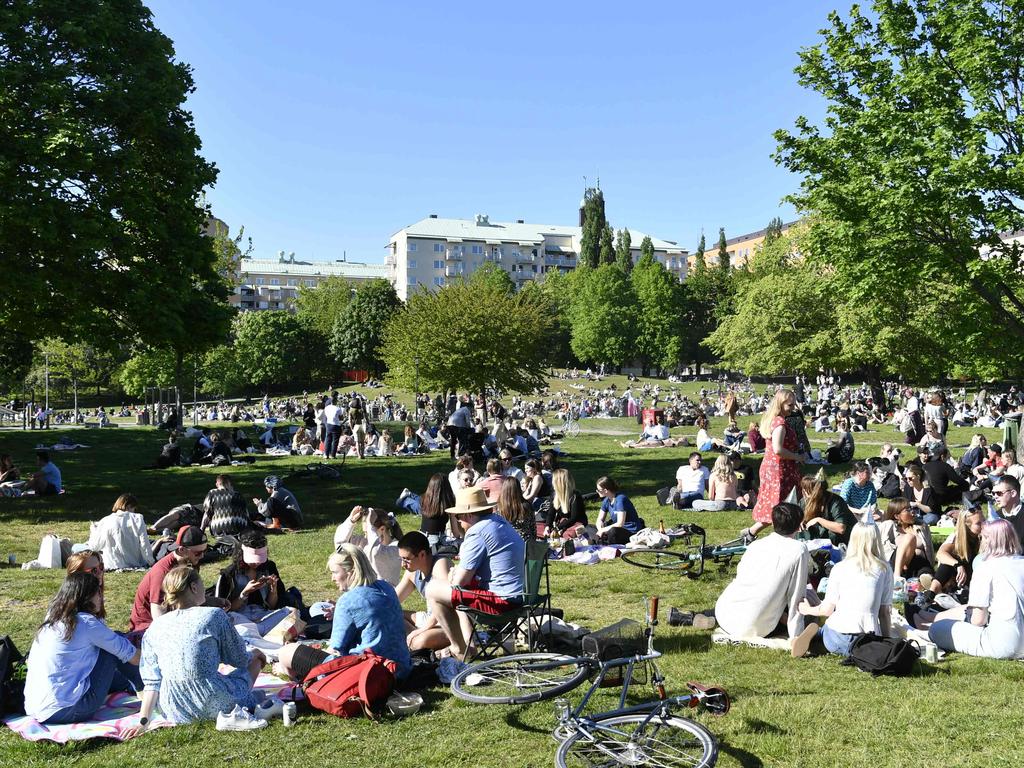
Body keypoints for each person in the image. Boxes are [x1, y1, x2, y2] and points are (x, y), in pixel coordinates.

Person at [133, 566, 267, 728]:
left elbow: (152, 682)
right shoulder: (214, 615)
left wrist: (143, 721)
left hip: (174, 708)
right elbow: (240, 659)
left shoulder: (155, 627)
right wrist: (255, 654)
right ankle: (245, 698)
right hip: (214, 701)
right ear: (194, 587)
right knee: (255, 659)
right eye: (202, 583)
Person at [275, 545, 412, 680]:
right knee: (318, 607)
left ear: (351, 571)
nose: (332, 578)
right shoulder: (385, 587)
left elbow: (336, 648)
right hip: (401, 667)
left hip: (369, 674)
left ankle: (303, 681)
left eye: (335, 572)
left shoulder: (347, 601)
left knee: (285, 652)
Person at [24, 572, 142, 724]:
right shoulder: (86, 623)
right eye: (98, 593)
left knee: (113, 644)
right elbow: (132, 656)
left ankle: (131, 684)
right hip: (71, 709)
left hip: (36, 709)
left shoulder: (52, 619)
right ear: (87, 597)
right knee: (112, 648)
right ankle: (146, 687)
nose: (101, 597)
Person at [424, 487, 526, 660]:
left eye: (458, 517)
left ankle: (459, 648)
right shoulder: (499, 522)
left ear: (469, 515)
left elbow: (459, 582)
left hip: (502, 601)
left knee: (433, 590)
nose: (459, 522)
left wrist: (452, 575)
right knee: (462, 593)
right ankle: (468, 644)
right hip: (521, 595)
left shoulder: (477, 531)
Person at [714, 502, 811, 646]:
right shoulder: (799, 550)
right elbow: (796, 594)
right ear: (798, 526)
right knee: (810, 615)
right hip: (756, 626)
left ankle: (694, 617)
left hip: (724, 612)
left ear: (772, 523)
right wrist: (796, 635)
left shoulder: (755, 545)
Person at [792, 522, 893, 657]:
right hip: (868, 639)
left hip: (837, 635)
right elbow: (884, 612)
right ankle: (817, 640)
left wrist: (806, 609)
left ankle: (813, 638)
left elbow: (827, 610)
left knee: (827, 630)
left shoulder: (840, 568)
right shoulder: (884, 569)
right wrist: (888, 642)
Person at [929, 519, 1024, 659]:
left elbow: (978, 620)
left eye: (983, 537)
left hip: (1004, 645)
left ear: (989, 541)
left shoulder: (985, 567)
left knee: (936, 629)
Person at [129, 526, 212, 633]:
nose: (202, 556)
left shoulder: (190, 563)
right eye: (198, 553)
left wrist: (212, 601)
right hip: (147, 629)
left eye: (205, 551)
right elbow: (158, 616)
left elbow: (188, 597)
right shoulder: (162, 573)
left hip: (174, 615)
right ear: (182, 550)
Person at [745, 390, 803, 540]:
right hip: (779, 470)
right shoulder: (780, 423)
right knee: (783, 507)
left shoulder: (776, 420)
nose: (793, 407)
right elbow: (778, 449)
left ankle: (750, 533)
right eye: (790, 405)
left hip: (776, 468)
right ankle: (782, 539)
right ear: (780, 403)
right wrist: (797, 456)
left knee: (776, 505)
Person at [212, 531, 293, 635]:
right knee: (230, 620)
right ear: (242, 553)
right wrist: (244, 593)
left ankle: (256, 631)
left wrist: (273, 589)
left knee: (292, 613)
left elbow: (272, 606)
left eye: (260, 559)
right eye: (253, 559)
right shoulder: (229, 574)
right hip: (240, 617)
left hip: (263, 615)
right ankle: (260, 631)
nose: (257, 563)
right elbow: (222, 611)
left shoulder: (269, 567)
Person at [395, 531, 453, 653]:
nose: (402, 564)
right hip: (428, 619)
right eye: (401, 559)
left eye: (406, 559)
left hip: (447, 622)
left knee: (419, 642)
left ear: (422, 554)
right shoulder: (412, 572)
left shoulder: (440, 564)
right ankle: (411, 639)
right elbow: (392, 601)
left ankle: (412, 639)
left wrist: (421, 630)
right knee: (391, 615)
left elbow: (445, 606)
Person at [922, 506, 983, 605]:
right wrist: (958, 565)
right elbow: (941, 554)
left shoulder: (987, 535)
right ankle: (930, 595)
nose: (983, 525)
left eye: (984, 520)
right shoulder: (957, 537)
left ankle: (945, 592)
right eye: (978, 523)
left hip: (976, 576)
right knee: (950, 560)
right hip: (958, 575)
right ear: (967, 526)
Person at [85, 493, 154, 570]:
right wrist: (151, 561)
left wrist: (93, 532)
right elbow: (144, 543)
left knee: (77, 547)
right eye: (134, 509)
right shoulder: (138, 518)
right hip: (135, 561)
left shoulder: (106, 520)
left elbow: (95, 546)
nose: (134, 511)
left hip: (113, 563)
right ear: (129, 506)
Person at [878, 498, 935, 580]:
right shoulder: (888, 525)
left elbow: (930, 549)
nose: (912, 512)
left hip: (917, 564)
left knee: (925, 569)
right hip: (895, 565)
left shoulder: (921, 526)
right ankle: (897, 576)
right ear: (897, 516)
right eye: (908, 510)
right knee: (910, 537)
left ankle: (926, 580)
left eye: (912, 509)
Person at [797, 474, 855, 546]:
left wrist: (818, 520)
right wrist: (800, 522)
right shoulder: (804, 501)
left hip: (843, 540)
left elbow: (841, 528)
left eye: (807, 490)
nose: (803, 492)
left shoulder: (835, 501)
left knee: (833, 534)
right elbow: (798, 517)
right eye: (803, 489)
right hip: (819, 538)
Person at [594, 476, 645, 545]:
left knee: (613, 531)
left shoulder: (621, 499)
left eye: (598, 490)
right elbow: (599, 520)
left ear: (606, 490)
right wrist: (600, 529)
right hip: (618, 528)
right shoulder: (606, 500)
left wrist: (603, 530)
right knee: (590, 527)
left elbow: (620, 523)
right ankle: (601, 539)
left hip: (630, 530)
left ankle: (601, 540)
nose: (597, 491)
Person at [544, 468, 588, 538]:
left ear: (559, 484)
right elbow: (551, 513)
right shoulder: (554, 495)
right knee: (538, 527)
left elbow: (574, 518)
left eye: (553, 481)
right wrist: (547, 526)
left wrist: (558, 528)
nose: (552, 484)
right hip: (563, 521)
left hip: (576, 523)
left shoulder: (575, 496)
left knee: (569, 534)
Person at [496, 476, 535, 541]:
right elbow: (533, 528)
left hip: (506, 543)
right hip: (525, 544)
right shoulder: (527, 506)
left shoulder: (499, 508)